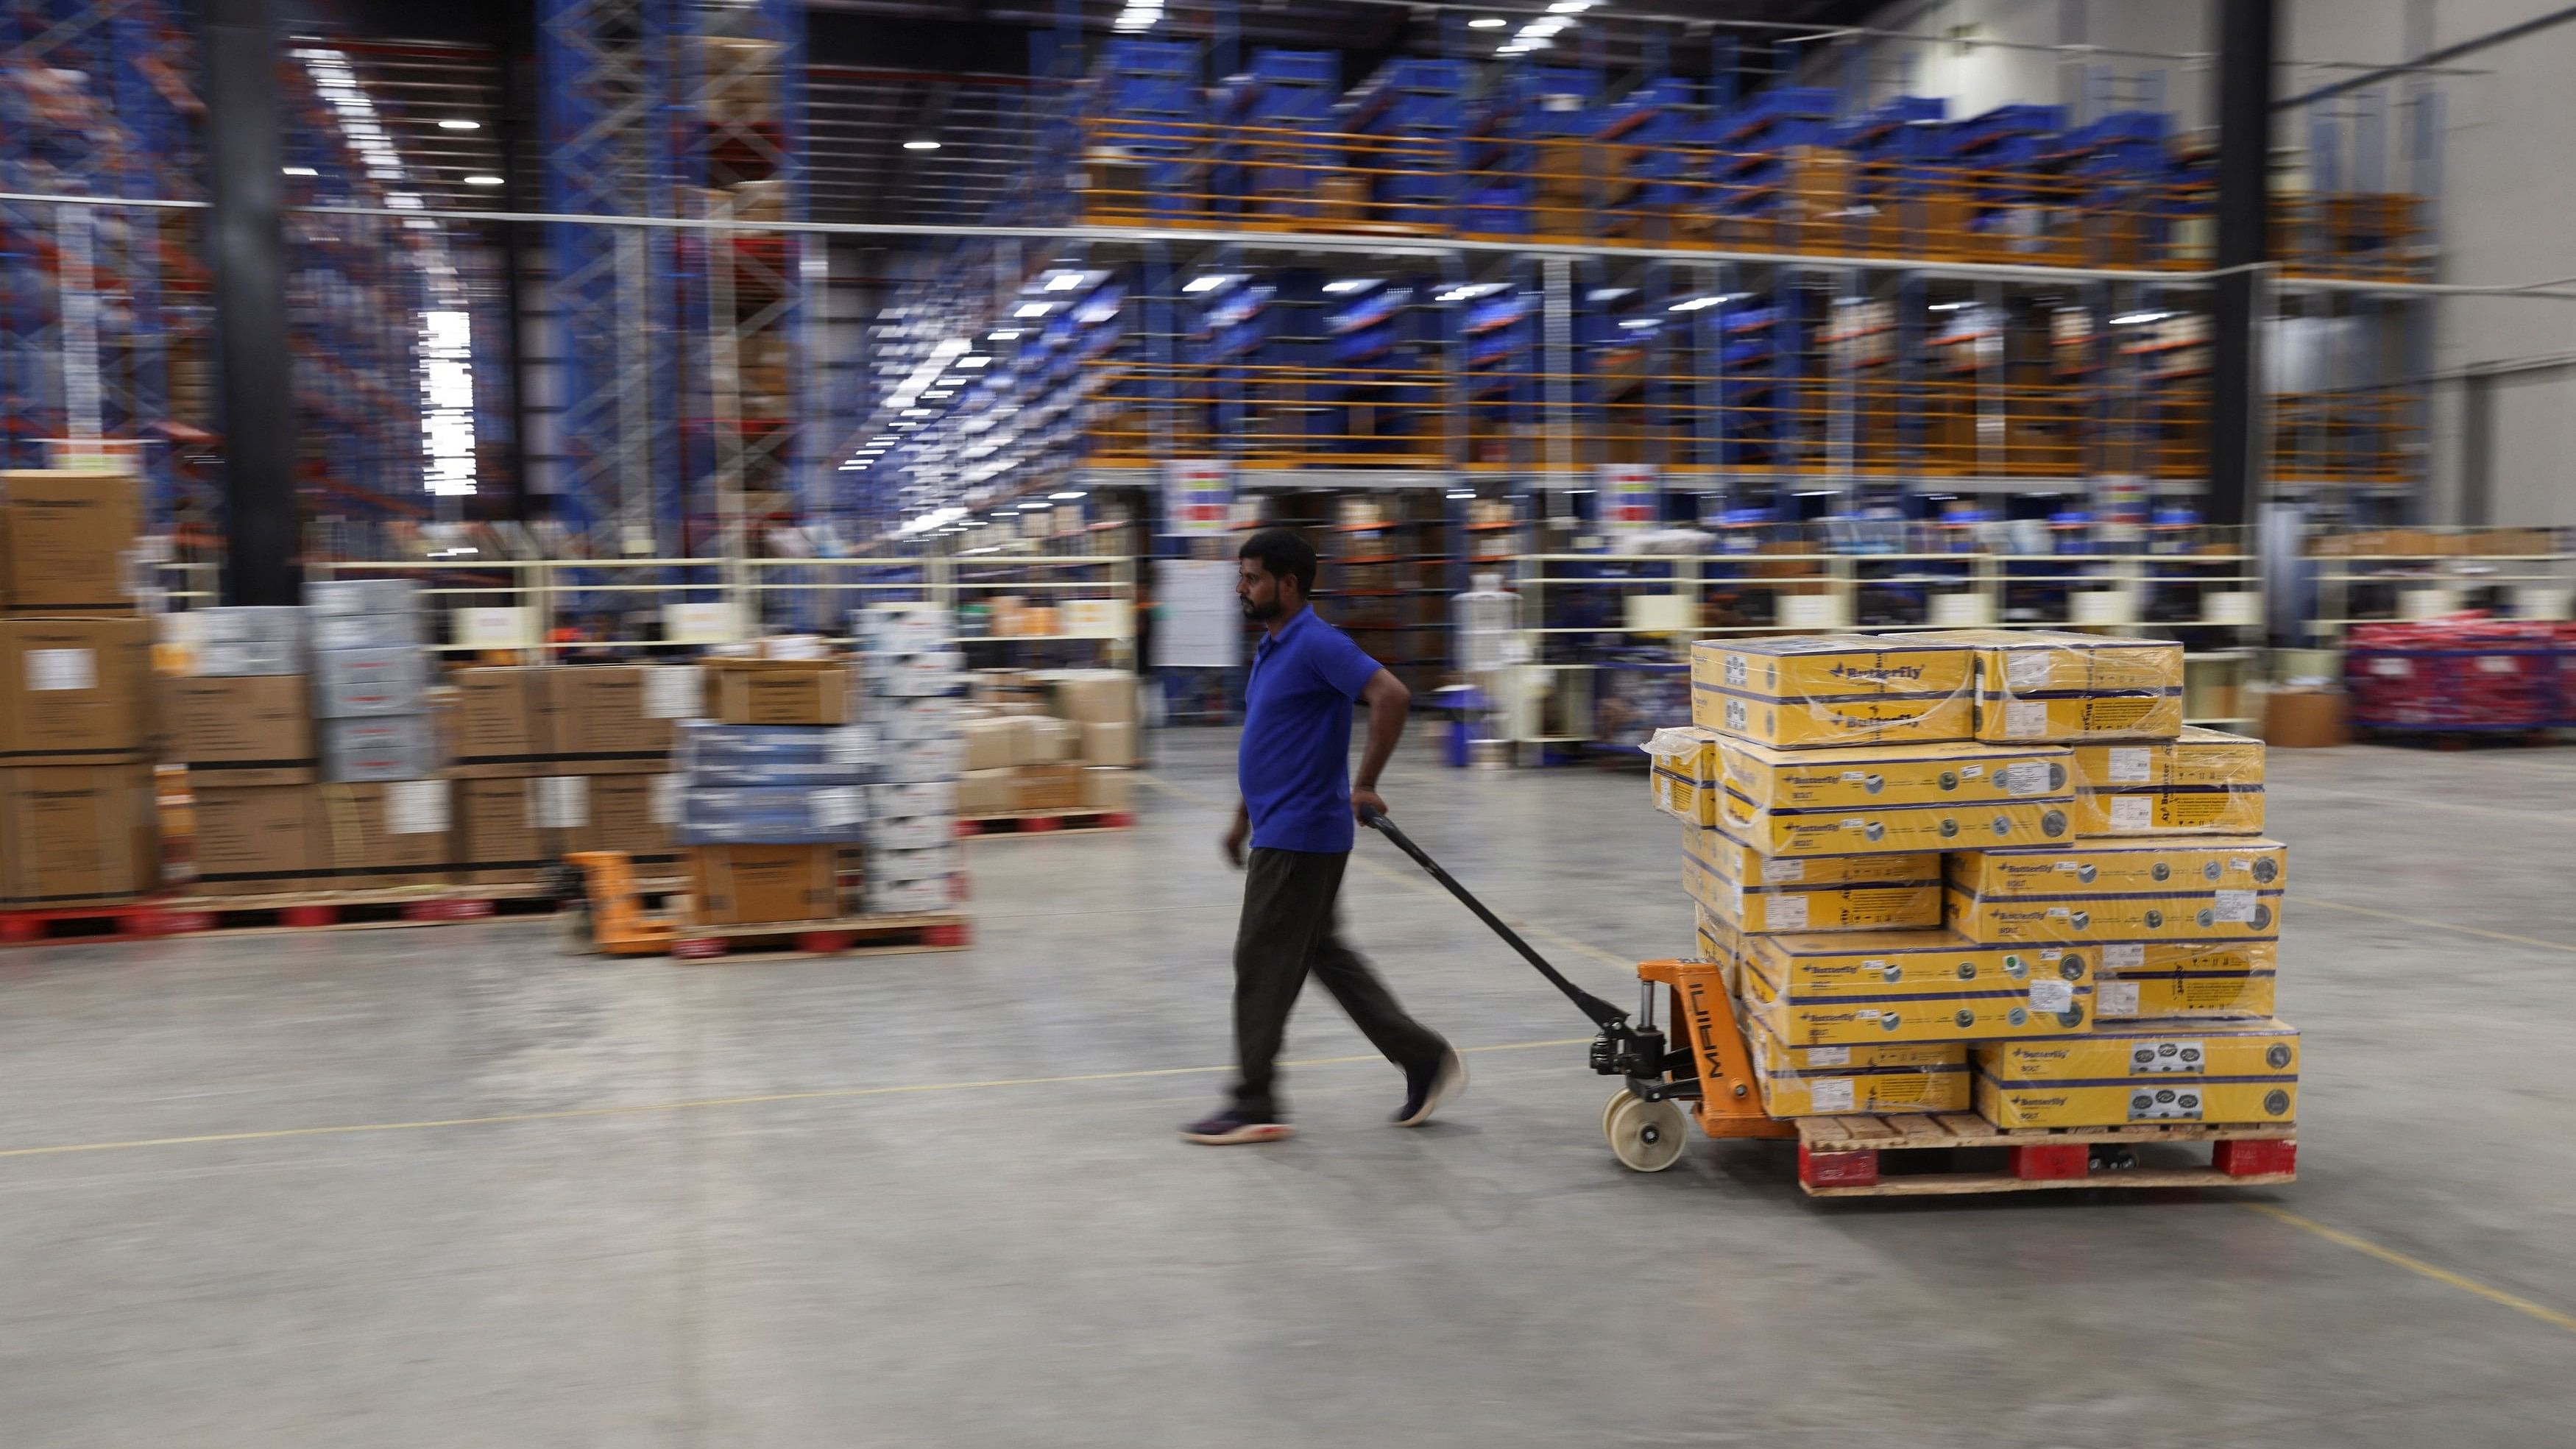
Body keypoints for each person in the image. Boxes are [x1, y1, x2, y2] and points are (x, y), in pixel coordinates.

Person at [1180, 528, 1464, 1146]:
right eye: (1242, 576)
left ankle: (1253, 1100)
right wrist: (1240, 817)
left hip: (1303, 834)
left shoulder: (1317, 643)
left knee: (1260, 959)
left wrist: (1365, 782)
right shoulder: (1271, 647)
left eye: (1252, 577)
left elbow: (1390, 694)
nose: (1241, 588)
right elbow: (1270, 744)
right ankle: (1423, 1058)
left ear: (1288, 583)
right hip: (1279, 826)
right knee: (1322, 953)